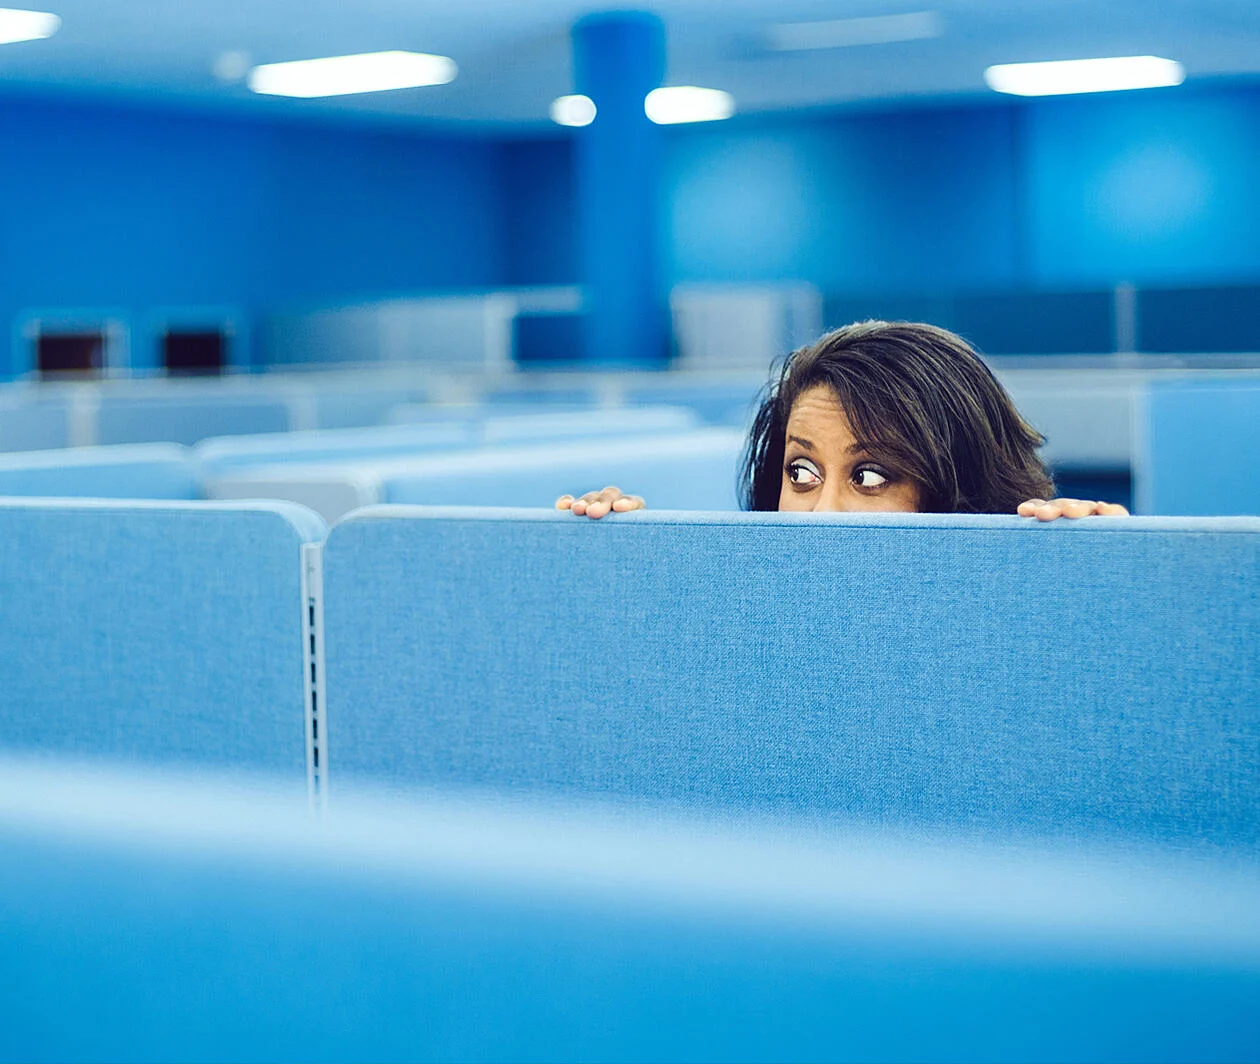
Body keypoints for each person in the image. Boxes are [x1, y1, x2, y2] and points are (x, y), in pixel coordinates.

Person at [556, 320, 1129, 521]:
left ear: (962, 488)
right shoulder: (756, 616)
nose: (820, 510)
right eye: (801, 472)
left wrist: (1080, 577)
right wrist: (622, 563)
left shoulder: (1008, 624)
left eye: (870, 476)